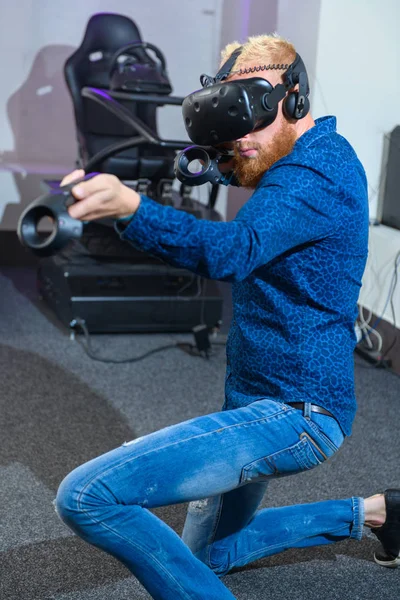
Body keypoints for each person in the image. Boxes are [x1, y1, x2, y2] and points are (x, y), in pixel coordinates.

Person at [55, 34, 399, 599]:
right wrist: (212, 162)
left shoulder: (319, 176)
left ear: (293, 101)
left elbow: (232, 251)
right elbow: (247, 171)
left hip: (297, 413)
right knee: (212, 553)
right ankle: (379, 514)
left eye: (248, 121)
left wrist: (134, 211)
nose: (238, 141)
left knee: (86, 496)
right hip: (252, 397)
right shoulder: (294, 156)